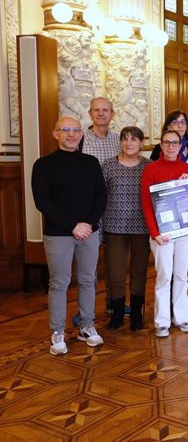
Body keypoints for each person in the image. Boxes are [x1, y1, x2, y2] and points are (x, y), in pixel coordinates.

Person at [31, 116, 107, 356]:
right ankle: (57, 332)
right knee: (59, 283)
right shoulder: (43, 165)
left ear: (81, 134)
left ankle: (86, 326)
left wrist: (88, 224)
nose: (71, 134)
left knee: (88, 280)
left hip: (89, 233)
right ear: (56, 134)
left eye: (76, 130)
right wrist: (73, 226)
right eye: (66, 130)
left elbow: (101, 196)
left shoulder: (91, 162)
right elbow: (43, 202)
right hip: (58, 235)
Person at [141, 129, 188, 337]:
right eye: (167, 143)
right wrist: (155, 233)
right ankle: (162, 321)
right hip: (162, 233)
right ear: (161, 145)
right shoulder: (151, 169)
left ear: (181, 145)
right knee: (164, 275)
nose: (171, 147)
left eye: (175, 143)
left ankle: (181, 318)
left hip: (185, 231)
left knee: (181, 275)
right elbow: (147, 205)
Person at [76, 97, 122, 323]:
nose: (101, 114)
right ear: (90, 113)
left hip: (116, 208)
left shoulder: (119, 140)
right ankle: (87, 310)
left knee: (114, 261)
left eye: (106, 110)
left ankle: (114, 303)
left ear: (112, 114)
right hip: (90, 210)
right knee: (88, 265)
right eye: (97, 110)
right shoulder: (81, 140)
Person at [101, 126, 152, 331]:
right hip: (114, 226)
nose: (129, 143)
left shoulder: (150, 166)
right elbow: (100, 197)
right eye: (125, 139)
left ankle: (137, 314)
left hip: (142, 226)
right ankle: (118, 312)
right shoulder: (108, 166)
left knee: (139, 271)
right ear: (120, 142)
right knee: (115, 273)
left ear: (141, 143)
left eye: (134, 139)